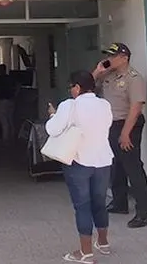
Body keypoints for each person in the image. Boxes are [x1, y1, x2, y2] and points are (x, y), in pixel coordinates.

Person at [46, 70, 114, 263]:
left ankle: (85, 253)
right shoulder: (104, 105)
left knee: (83, 206)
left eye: (71, 87)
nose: (71, 91)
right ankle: (103, 243)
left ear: (77, 87)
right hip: (102, 160)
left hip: (79, 161)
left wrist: (53, 115)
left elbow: (52, 129)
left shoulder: (69, 105)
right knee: (99, 203)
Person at [92, 43, 147, 228]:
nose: (109, 59)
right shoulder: (108, 75)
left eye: (113, 55)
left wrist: (126, 133)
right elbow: (86, 87)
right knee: (116, 165)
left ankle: (144, 211)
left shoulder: (133, 78)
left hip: (128, 124)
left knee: (132, 166)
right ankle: (120, 203)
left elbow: (136, 108)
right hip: (110, 124)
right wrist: (97, 71)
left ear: (124, 57)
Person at [0, 64, 19, 143]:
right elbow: (18, 86)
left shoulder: (0, 79)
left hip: (3, 101)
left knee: (4, 121)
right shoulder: (11, 78)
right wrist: (15, 95)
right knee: (11, 120)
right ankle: (13, 138)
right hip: (11, 101)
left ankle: (5, 139)